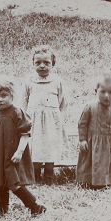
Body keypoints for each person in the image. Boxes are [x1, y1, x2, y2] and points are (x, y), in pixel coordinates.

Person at [0, 76, 46, 216]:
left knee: (13, 182)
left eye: (4, 95)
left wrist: (19, 152)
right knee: (1, 184)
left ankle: (34, 206)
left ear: (12, 96)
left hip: (12, 155)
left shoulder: (17, 112)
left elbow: (25, 134)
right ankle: (3, 211)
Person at [21, 45, 70, 184]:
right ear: (33, 63)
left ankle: (49, 173)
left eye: (46, 63)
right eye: (38, 63)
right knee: (35, 145)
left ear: (53, 64)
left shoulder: (57, 81)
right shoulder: (29, 81)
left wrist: (53, 113)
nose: (42, 66)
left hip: (52, 121)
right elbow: (23, 101)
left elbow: (63, 101)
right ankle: (35, 173)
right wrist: (27, 117)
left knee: (51, 145)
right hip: (33, 120)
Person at [76, 74, 111, 189]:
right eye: (102, 92)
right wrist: (82, 140)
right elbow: (82, 125)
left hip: (109, 143)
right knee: (89, 162)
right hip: (92, 143)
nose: (106, 96)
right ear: (96, 91)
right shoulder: (89, 107)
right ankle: (87, 180)